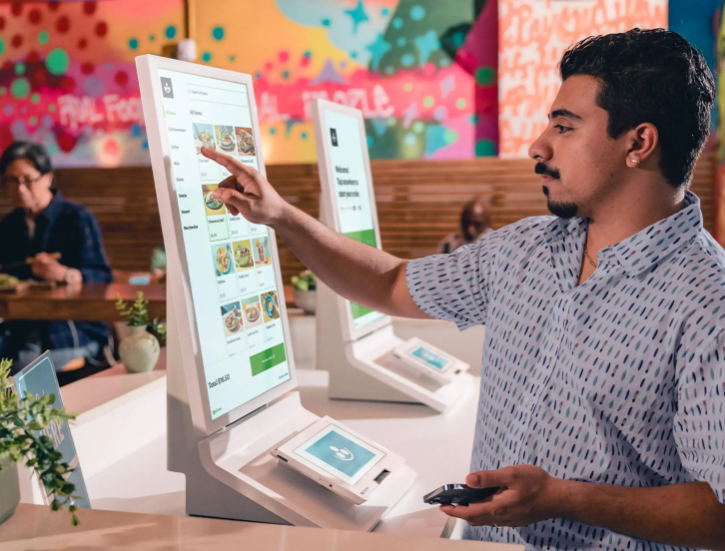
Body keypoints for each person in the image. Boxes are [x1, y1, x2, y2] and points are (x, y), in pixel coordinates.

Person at [199, 28, 725, 550]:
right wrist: (281, 216)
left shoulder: (709, 304)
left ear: (638, 143)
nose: (538, 145)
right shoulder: (523, 249)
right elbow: (390, 283)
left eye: (564, 127)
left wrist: (564, 498)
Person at [0, 142, 113, 373]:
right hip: (22, 323)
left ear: (48, 178)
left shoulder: (77, 218)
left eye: (28, 180)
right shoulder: (10, 225)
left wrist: (65, 274)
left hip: (73, 326)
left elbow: (103, 276)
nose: (20, 189)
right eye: (12, 180)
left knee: (23, 368)